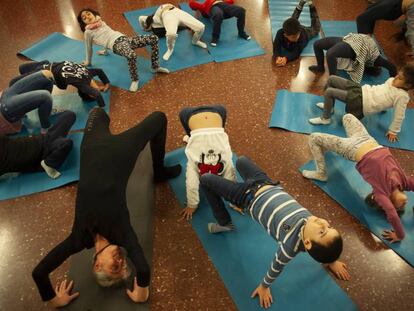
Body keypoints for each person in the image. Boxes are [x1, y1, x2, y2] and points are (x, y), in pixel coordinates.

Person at [32, 108, 181, 308]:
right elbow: (143, 270)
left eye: (114, 267)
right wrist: (142, 292)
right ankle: (159, 170)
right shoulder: (123, 234)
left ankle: (158, 168)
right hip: (121, 152)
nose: (121, 261)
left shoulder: (78, 239)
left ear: (97, 264)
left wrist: (54, 300)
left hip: (92, 148)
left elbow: (39, 272)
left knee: (98, 112)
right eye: (123, 266)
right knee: (160, 118)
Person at [200, 156, 349, 308]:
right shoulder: (312, 224)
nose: (323, 222)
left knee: (205, 179)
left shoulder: (289, 247)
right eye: (329, 227)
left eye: (322, 231)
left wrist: (264, 287)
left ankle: (225, 223)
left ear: (307, 242)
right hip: (266, 182)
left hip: (245, 197)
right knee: (241, 161)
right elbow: (328, 245)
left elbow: (276, 267)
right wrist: (332, 260)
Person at [302, 113, 414, 243]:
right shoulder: (404, 182)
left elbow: (393, 216)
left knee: (313, 138)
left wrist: (400, 235)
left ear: (390, 204)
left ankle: (321, 173)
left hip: (351, 149)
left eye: (399, 207)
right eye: (403, 206)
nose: (404, 203)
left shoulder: (381, 193)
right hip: (367, 139)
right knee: (347, 116)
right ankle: (330, 146)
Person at [308, 63, 413, 143]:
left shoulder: (402, 96)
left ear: (408, 85)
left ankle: (325, 119)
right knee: (331, 79)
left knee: (329, 92)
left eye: (400, 78)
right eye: (398, 75)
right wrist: (383, 107)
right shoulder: (391, 80)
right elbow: (384, 93)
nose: (395, 78)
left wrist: (393, 131)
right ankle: (329, 108)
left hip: (361, 103)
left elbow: (399, 115)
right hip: (361, 90)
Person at [77, 8, 169, 92]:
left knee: (153, 38)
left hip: (125, 39)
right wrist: (88, 62)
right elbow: (89, 47)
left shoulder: (101, 22)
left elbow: (106, 34)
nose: (87, 17)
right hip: (116, 45)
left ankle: (155, 67)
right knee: (131, 55)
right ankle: (135, 80)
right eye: (84, 18)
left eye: (88, 14)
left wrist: (105, 51)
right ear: (84, 23)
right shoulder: (88, 32)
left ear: (93, 14)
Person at [178, 105, 237, 220]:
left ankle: (190, 137)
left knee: (222, 110)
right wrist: (234, 203)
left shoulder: (226, 162)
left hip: (217, 114)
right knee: (183, 114)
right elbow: (191, 185)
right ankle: (191, 136)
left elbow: (231, 182)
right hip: (192, 117)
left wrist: (192, 205)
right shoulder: (194, 165)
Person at [0, 110, 75, 179]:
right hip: (43, 155)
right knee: (66, 143)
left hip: (44, 138)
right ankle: (48, 164)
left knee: (69, 115)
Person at [9, 60, 110, 107]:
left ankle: (23, 69)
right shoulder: (83, 84)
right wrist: (102, 108)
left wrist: (106, 84)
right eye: (92, 93)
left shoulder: (88, 73)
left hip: (47, 65)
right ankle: (21, 75)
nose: (94, 90)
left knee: (27, 69)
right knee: (14, 84)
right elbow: (97, 94)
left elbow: (100, 71)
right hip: (43, 74)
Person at [308, 33, 397, 83]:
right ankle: (320, 67)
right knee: (317, 44)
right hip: (348, 39)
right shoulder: (376, 58)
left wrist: (392, 84)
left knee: (330, 54)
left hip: (353, 46)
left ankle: (333, 81)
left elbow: (392, 67)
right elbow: (392, 67)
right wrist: (392, 83)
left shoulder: (373, 60)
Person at [139, 3, 207, 61]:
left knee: (201, 27)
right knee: (171, 34)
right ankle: (170, 50)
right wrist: (144, 27)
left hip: (174, 11)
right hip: (168, 13)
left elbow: (141, 18)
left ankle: (195, 41)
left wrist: (144, 28)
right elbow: (141, 18)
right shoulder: (154, 20)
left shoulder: (152, 19)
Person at [273, 0, 321, 66]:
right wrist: (277, 57)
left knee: (316, 28)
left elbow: (296, 52)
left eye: (297, 36)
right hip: (295, 29)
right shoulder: (280, 33)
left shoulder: (301, 37)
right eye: (294, 37)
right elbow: (276, 47)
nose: (297, 38)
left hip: (305, 32)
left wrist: (286, 59)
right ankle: (301, 4)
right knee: (292, 20)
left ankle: (311, 6)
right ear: (285, 35)